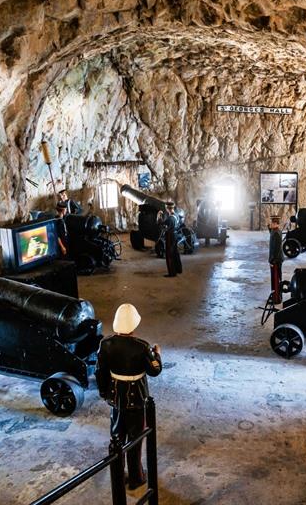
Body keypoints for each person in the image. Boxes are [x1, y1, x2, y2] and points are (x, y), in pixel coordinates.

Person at [96, 304, 162, 490]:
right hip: (137, 399)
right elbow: (155, 370)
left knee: (117, 437)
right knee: (135, 439)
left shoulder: (105, 344)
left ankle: (118, 477)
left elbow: (100, 372)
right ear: (134, 323)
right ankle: (136, 477)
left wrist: (104, 393)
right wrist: (157, 354)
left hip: (115, 397)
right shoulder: (142, 346)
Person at [162, 201, 182, 277]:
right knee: (175, 252)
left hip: (170, 236)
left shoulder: (170, 218)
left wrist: (158, 215)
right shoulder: (176, 215)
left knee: (169, 254)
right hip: (175, 235)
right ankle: (178, 269)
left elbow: (161, 224)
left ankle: (172, 272)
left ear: (167, 208)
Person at [268, 215, 284, 303]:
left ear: (276, 224)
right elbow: (271, 234)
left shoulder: (276, 233)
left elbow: (277, 248)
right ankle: (275, 295)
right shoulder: (275, 231)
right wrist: (269, 229)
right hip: (276, 259)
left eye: (272, 223)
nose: (270, 224)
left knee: (276, 279)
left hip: (276, 260)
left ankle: (277, 298)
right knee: (274, 279)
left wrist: (273, 260)